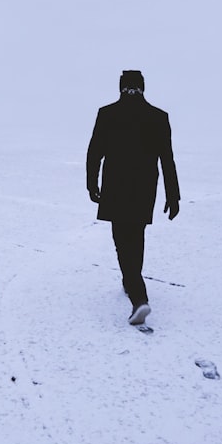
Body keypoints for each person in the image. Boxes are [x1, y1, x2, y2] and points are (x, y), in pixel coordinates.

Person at [86, 70, 180, 325]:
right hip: (144, 188)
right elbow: (167, 159)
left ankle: (139, 297)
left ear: (121, 88)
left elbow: (95, 151)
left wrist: (91, 184)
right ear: (143, 88)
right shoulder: (158, 117)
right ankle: (131, 283)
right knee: (135, 237)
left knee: (121, 239)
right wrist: (173, 195)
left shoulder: (108, 114)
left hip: (116, 186)